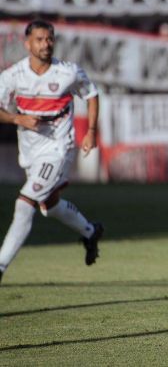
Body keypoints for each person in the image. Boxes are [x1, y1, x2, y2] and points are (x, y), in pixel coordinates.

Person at [0, 20, 103, 284]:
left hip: (59, 149)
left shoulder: (67, 72)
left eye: (49, 39)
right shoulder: (13, 76)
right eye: (40, 39)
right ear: (28, 44)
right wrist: (17, 119)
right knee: (50, 205)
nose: (46, 44)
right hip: (30, 152)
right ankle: (90, 232)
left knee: (24, 204)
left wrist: (91, 131)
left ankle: (0, 266)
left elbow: (91, 95)